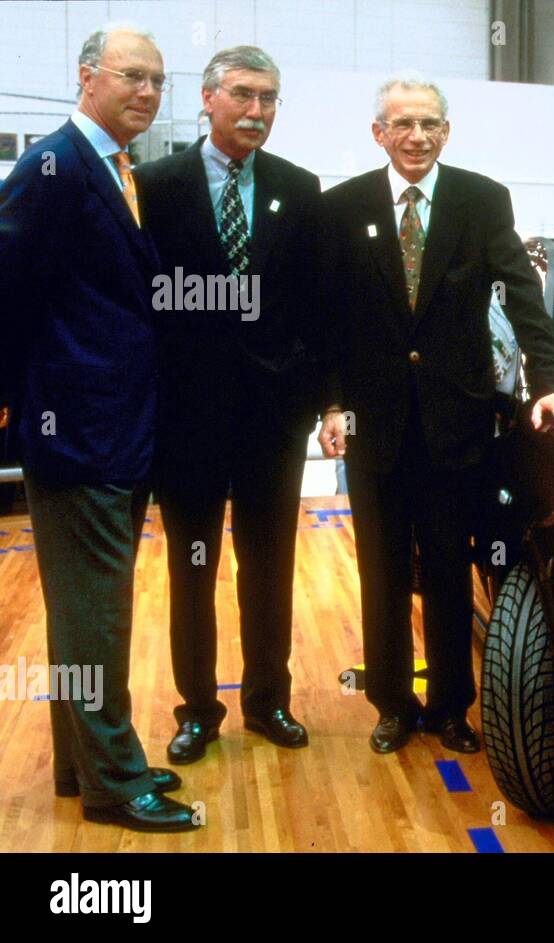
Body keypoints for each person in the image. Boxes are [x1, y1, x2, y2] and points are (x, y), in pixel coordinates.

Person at [317, 73, 554, 755]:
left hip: (456, 426)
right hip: (372, 428)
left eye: (430, 124)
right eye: (403, 124)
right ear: (378, 132)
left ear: (447, 131)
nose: (418, 136)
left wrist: (550, 378)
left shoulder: (480, 199)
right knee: (381, 573)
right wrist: (329, 405)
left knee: (447, 568)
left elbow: (525, 298)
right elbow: (326, 320)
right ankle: (390, 703)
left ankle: (449, 707)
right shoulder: (342, 207)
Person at [0, 25, 199, 831]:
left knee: (90, 613)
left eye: (157, 80)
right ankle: (116, 783)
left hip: (116, 426)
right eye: (131, 77)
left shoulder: (119, 171)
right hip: (77, 432)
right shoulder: (52, 165)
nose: (147, 92)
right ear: (87, 78)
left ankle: (87, 765)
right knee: (97, 618)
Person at [135, 46, 322, 763]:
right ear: (209, 98)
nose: (256, 111)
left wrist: (312, 397)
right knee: (192, 568)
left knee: (269, 567)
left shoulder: (299, 189)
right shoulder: (154, 186)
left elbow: (315, 304)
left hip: (273, 420)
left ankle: (269, 700)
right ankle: (197, 709)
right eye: (243, 95)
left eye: (269, 98)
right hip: (187, 419)